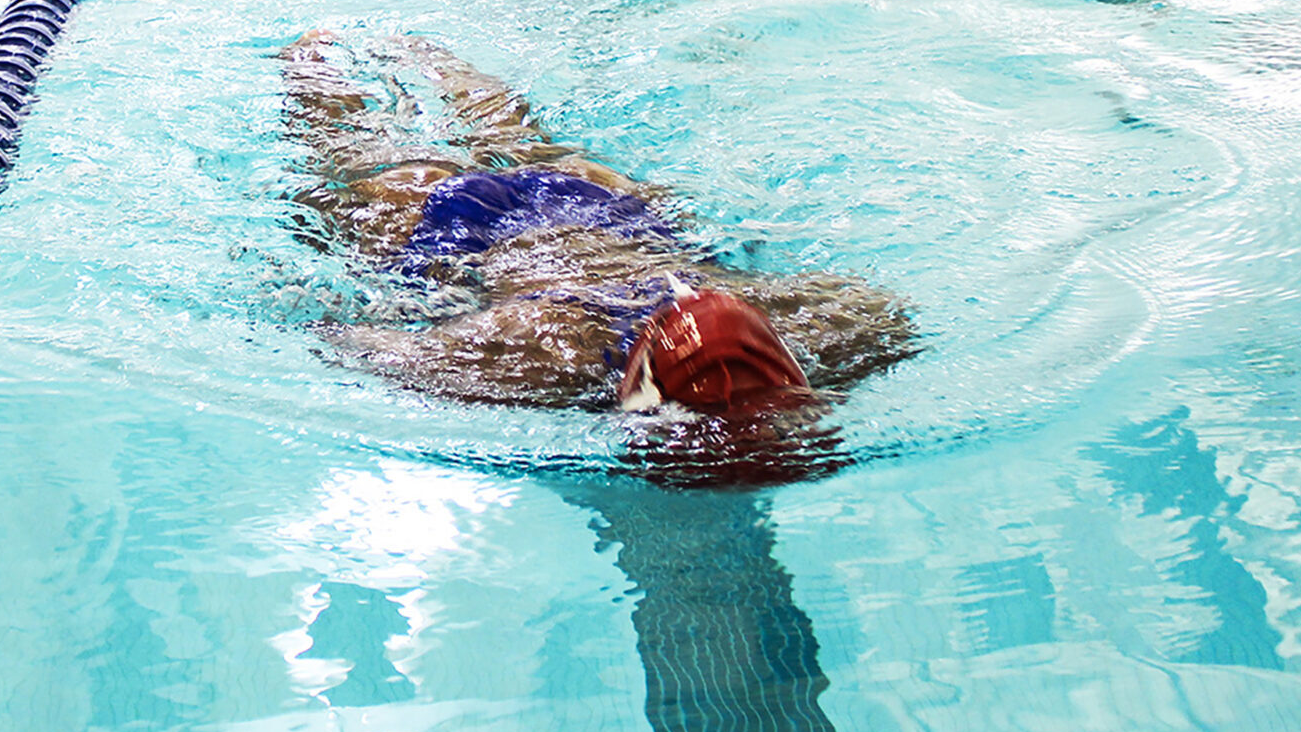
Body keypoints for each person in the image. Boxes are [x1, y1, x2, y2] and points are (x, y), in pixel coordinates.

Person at [281, 31, 915, 483]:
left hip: (615, 216)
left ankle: (401, 53)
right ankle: (317, 62)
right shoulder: (540, 351)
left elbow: (886, 314)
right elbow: (357, 343)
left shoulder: (823, 322)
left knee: (511, 138)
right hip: (471, 231)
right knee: (353, 155)